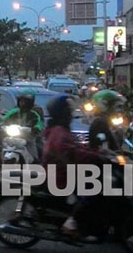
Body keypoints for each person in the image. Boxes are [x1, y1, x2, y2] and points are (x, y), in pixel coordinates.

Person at [41, 94, 102, 236]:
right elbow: (74, 152)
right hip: (60, 175)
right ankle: (71, 222)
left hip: (65, 171)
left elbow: (77, 147)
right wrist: (97, 156)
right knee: (93, 188)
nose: (70, 114)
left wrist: (98, 151)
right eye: (68, 112)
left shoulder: (61, 130)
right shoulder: (59, 133)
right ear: (61, 113)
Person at [0, 90, 44, 161]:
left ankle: (35, 166)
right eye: (21, 101)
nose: (23, 103)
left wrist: (34, 129)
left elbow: (39, 124)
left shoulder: (35, 113)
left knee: (35, 156)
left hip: (28, 138)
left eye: (25, 102)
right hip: (13, 138)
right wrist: (3, 126)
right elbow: (4, 121)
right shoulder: (13, 112)